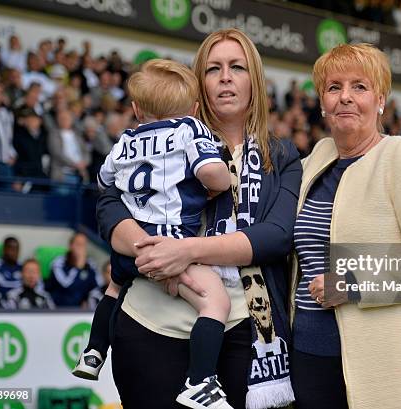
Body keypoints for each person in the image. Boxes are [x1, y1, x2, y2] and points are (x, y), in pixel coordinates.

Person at [96, 29, 301, 409]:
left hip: (239, 328)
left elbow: (276, 236)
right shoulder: (162, 136)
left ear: (253, 80)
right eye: (213, 69)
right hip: (149, 322)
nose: (225, 76)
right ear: (197, 85)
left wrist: (185, 250)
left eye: (237, 67)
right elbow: (109, 205)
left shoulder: (283, 155)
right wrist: (157, 254)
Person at [289, 43, 401, 409]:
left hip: (388, 365)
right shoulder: (315, 159)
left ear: (380, 100)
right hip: (308, 355)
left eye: (359, 87)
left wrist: (351, 284)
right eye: (334, 88)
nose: (345, 97)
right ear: (322, 102)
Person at [74, 59, 235, 409]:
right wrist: (226, 181)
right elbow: (212, 174)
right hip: (171, 243)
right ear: (194, 108)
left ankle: (93, 351)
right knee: (216, 302)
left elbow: (104, 182)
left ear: (135, 108)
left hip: (131, 250)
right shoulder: (191, 129)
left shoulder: (126, 138)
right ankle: (201, 382)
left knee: (114, 287)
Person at [45, 232, 99, 307]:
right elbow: (66, 285)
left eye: (83, 245)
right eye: (78, 244)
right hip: (58, 308)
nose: (80, 248)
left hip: (81, 310)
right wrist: (78, 268)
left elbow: (96, 285)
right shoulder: (59, 263)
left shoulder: (90, 264)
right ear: (70, 246)